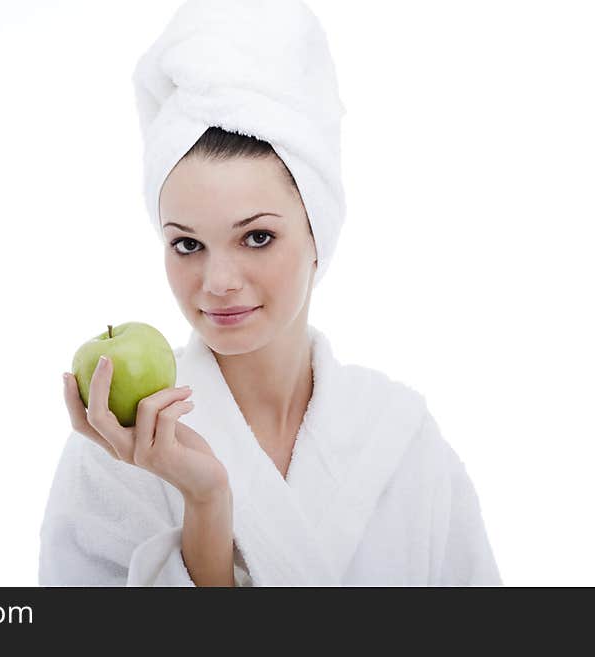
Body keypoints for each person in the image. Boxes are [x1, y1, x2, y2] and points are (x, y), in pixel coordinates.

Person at [38, 0, 502, 586]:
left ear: (318, 233)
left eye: (257, 237)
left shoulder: (400, 438)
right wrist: (205, 505)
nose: (217, 282)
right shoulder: (114, 452)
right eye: (186, 245)